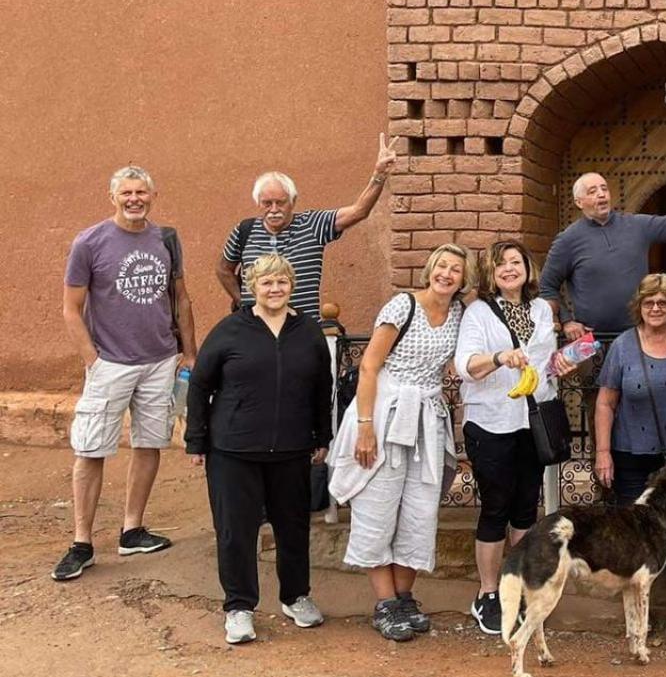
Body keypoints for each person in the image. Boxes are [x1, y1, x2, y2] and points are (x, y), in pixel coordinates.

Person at [53, 166, 197, 583]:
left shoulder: (166, 238)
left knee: (149, 443)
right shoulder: (90, 242)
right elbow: (70, 308)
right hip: (110, 363)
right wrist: (92, 360)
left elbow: (181, 298)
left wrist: (189, 353)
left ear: (153, 195)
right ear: (112, 197)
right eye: (127, 193)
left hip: (159, 361)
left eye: (141, 192)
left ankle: (132, 529)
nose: (135, 199)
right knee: (91, 448)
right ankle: (81, 542)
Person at [185, 254, 332, 645]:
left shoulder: (308, 332)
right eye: (267, 283)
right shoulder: (231, 330)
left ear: (291, 284)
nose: (275, 289)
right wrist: (195, 440)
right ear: (253, 287)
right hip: (232, 450)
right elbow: (200, 384)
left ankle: (296, 596)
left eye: (282, 281)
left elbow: (323, 388)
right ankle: (239, 607)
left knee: (293, 527)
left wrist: (322, 437)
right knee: (236, 530)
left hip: (292, 449)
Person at [328, 244, 470, 641]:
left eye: (455, 270)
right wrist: (365, 426)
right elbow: (369, 365)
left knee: (420, 510)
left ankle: (405, 596)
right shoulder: (401, 307)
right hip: (387, 414)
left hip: (426, 418)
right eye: (442, 265)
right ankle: (385, 603)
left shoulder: (459, 314)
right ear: (430, 269)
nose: (446, 274)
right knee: (378, 505)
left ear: (463, 279)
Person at [453, 239, 565, 637]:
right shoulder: (479, 313)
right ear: (491, 274)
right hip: (491, 422)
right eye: (500, 265)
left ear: (527, 267)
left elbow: (544, 363)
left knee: (524, 508)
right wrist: (500, 357)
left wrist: (560, 363)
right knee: (496, 507)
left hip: (531, 422)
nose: (509, 270)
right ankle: (487, 592)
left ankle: (515, 584)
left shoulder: (539, 309)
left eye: (516, 262)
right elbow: (465, 366)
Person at [594, 273, 666, 637]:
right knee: (633, 533)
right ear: (638, 307)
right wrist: (603, 451)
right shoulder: (624, 346)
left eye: (663, 302)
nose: (656, 308)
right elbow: (606, 402)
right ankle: (641, 607)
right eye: (649, 302)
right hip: (632, 452)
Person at [539, 167, 666, 340]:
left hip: (639, 335)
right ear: (579, 202)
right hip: (593, 339)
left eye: (604, 189)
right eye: (592, 191)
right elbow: (547, 286)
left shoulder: (636, 225)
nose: (601, 194)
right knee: (598, 390)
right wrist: (566, 321)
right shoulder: (568, 239)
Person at [216, 134, 401, 317]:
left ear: (293, 201)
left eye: (280, 203)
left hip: (301, 330)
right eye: (267, 203)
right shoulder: (244, 231)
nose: (273, 209)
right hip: (255, 332)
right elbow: (224, 269)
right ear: (258, 203)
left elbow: (358, 211)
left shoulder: (312, 225)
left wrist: (379, 175)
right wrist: (243, 303)